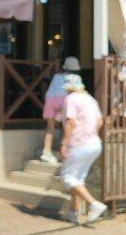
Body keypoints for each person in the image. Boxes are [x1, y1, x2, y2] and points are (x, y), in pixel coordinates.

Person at [58, 73, 108, 225]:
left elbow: (70, 122)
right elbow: (100, 121)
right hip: (95, 143)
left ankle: (94, 204)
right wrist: (89, 132)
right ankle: (73, 213)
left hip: (78, 144)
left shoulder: (70, 99)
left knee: (67, 176)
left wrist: (63, 143)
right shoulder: (90, 98)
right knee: (78, 179)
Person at [40, 56, 81, 164]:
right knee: (67, 126)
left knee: (50, 128)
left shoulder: (56, 76)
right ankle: (66, 151)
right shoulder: (75, 78)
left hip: (50, 98)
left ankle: (46, 152)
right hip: (64, 99)